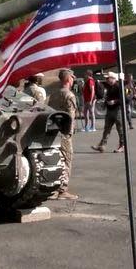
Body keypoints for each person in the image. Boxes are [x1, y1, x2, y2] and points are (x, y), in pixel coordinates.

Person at [47, 69, 79, 199]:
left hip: (54, 131)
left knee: (56, 159)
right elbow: (70, 117)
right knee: (66, 159)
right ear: (67, 79)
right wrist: (69, 133)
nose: (73, 80)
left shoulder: (54, 95)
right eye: (72, 78)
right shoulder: (69, 95)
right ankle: (62, 189)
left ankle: (53, 188)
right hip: (64, 132)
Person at [92, 72, 125, 153]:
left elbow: (124, 99)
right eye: (106, 78)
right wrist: (105, 103)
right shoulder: (109, 87)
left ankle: (122, 145)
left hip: (117, 110)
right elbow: (107, 96)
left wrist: (115, 101)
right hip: (110, 110)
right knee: (107, 129)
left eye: (108, 78)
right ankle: (102, 145)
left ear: (113, 78)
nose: (106, 80)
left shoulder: (118, 87)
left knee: (120, 129)